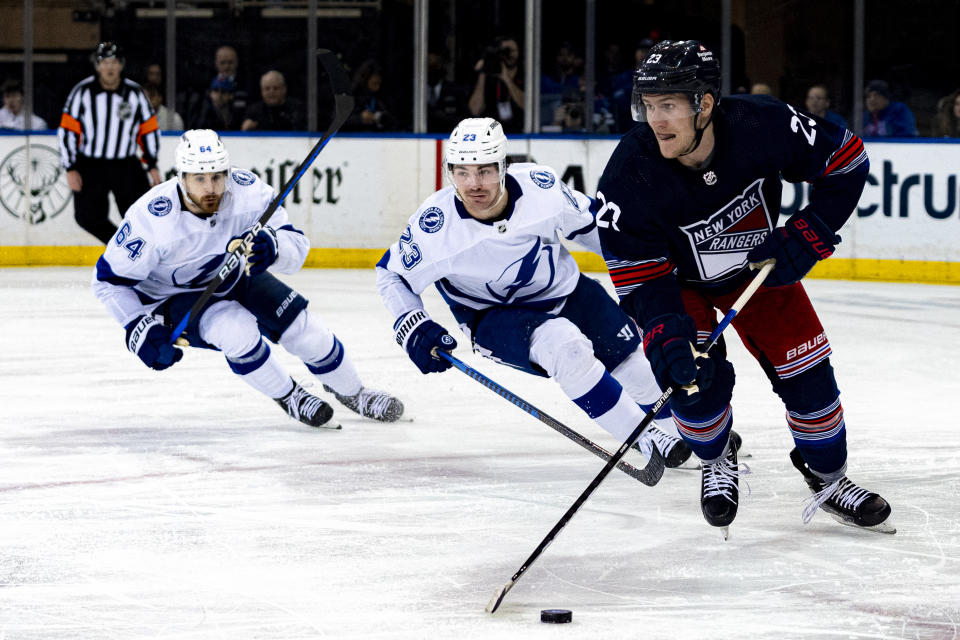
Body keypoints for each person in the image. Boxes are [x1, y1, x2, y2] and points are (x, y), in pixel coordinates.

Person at [594, 40, 894, 536]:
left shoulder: (762, 123)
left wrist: (813, 229)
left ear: (704, 104)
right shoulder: (630, 172)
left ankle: (828, 478)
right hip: (678, 284)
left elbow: (847, 159)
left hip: (760, 271)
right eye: (648, 106)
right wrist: (665, 328)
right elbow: (637, 272)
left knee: (810, 379)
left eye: (668, 105)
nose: (655, 120)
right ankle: (716, 457)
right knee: (691, 385)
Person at [375, 117, 692, 471]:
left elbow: (597, 228)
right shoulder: (435, 227)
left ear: (503, 166)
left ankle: (685, 435)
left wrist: (651, 271)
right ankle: (644, 437)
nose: (473, 184)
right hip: (494, 316)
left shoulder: (542, 190)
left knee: (634, 365)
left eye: (484, 171)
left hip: (568, 291)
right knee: (565, 346)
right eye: (461, 172)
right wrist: (413, 324)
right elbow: (391, 274)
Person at [91, 129, 404, 427]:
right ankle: (289, 395)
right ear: (181, 177)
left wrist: (275, 248)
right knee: (235, 330)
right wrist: (137, 327)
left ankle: (355, 393)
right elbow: (107, 282)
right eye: (199, 179)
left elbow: (296, 247)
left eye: (217, 176)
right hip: (170, 296)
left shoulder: (247, 191)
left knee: (308, 332)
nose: (211, 188)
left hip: (233, 276)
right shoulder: (151, 220)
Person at [59, 42, 160, 244]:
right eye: (104, 62)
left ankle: (147, 254)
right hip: (91, 165)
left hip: (126, 165)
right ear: (97, 66)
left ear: (121, 65)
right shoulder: (82, 92)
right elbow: (68, 130)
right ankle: (123, 246)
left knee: (140, 215)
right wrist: (70, 167)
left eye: (114, 61)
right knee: (86, 216)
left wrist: (151, 164)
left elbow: (148, 129)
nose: (109, 67)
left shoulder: (134, 93)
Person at [468, 37, 525, 133]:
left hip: (519, 133)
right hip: (491, 134)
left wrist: (506, 78)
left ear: (519, 52)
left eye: (511, 50)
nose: (508, 54)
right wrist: (484, 70)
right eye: (504, 51)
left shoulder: (526, 74)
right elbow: (475, 110)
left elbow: (527, 105)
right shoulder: (488, 76)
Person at [241, 70, 306, 131]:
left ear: (284, 89)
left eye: (276, 88)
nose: (271, 92)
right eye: (267, 89)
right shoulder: (254, 111)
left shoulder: (296, 108)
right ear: (261, 91)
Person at [344, 60, 396, 132]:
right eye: (374, 83)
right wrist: (359, 118)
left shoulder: (378, 97)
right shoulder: (350, 96)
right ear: (365, 80)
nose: (377, 88)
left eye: (379, 84)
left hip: (374, 138)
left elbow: (391, 120)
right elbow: (336, 120)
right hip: (351, 138)